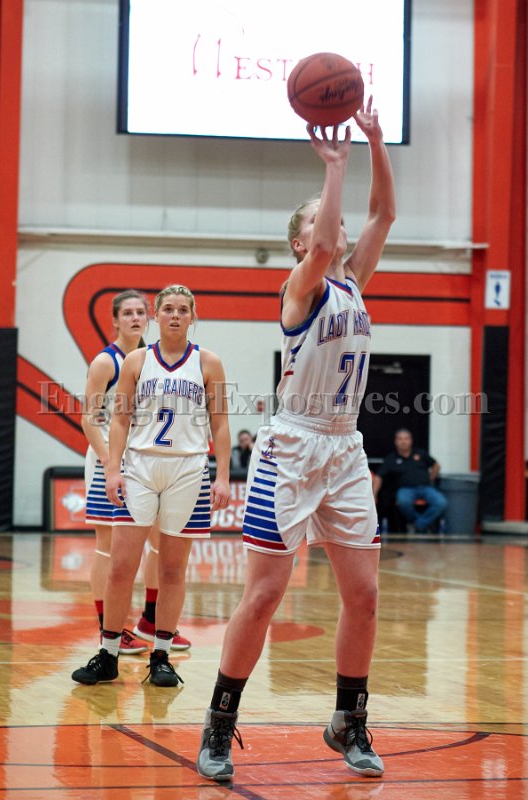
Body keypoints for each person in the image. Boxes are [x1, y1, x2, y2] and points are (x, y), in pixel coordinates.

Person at [197, 98, 395, 781]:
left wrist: (375, 142)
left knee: (364, 595)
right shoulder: (300, 287)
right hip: (291, 448)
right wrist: (335, 166)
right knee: (263, 596)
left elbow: (382, 216)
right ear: (298, 243)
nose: (331, 226)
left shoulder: (353, 282)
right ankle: (219, 724)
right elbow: (329, 244)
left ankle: (348, 721)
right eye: (316, 220)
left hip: (343, 447)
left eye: (329, 216)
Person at [72, 285, 231, 686]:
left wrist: (224, 475)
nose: (175, 315)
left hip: (188, 470)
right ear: (156, 316)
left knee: (172, 568)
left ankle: (161, 655)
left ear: (193, 316)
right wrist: (113, 469)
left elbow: (221, 423)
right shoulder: (136, 361)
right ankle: (108, 653)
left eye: (183, 310)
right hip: (140, 467)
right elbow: (119, 420)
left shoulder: (209, 362)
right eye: (168, 309)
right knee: (121, 565)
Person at [82, 290, 191, 654]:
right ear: (115, 320)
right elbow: (89, 418)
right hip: (110, 460)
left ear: (149, 318)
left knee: (159, 542)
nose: (134, 318)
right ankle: (108, 629)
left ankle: (151, 620)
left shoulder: (152, 358)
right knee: (108, 548)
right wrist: (109, 462)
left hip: (148, 460)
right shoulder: (106, 362)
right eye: (127, 313)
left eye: (140, 313)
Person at [372, 429, 447, 533]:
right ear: (395, 441)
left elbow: (436, 465)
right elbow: (378, 477)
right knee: (403, 502)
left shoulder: (420, 453)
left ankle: (418, 525)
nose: (403, 441)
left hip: (426, 487)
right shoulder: (391, 459)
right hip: (405, 489)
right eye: (400, 439)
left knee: (441, 502)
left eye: (406, 439)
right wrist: (373, 495)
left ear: (411, 440)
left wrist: (431, 478)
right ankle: (421, 526)